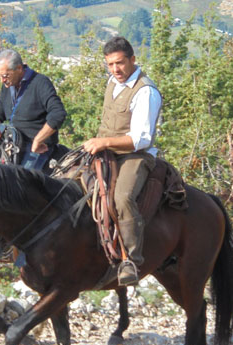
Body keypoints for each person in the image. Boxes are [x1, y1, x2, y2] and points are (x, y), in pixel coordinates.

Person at [82, 36, 162, 285]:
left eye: (119, 63)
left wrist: (103, 142)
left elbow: (141, 138)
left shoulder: (145, 91)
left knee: (122, 197)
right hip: (106, 149)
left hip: (135, 156)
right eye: (110, 64)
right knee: (66, 176)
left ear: (132, 60)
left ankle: (131, 259)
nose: (115, 69)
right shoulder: (113, 83)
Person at [0, 49, 67, 172]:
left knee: (18, 185)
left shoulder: (40, 83)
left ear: (19, 68)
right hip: (12, 145)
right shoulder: (8, 85)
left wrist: (38, 139)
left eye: (5, 75)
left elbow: (58, 113)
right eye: (0, 76)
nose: (2, 80)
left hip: (36, 148)